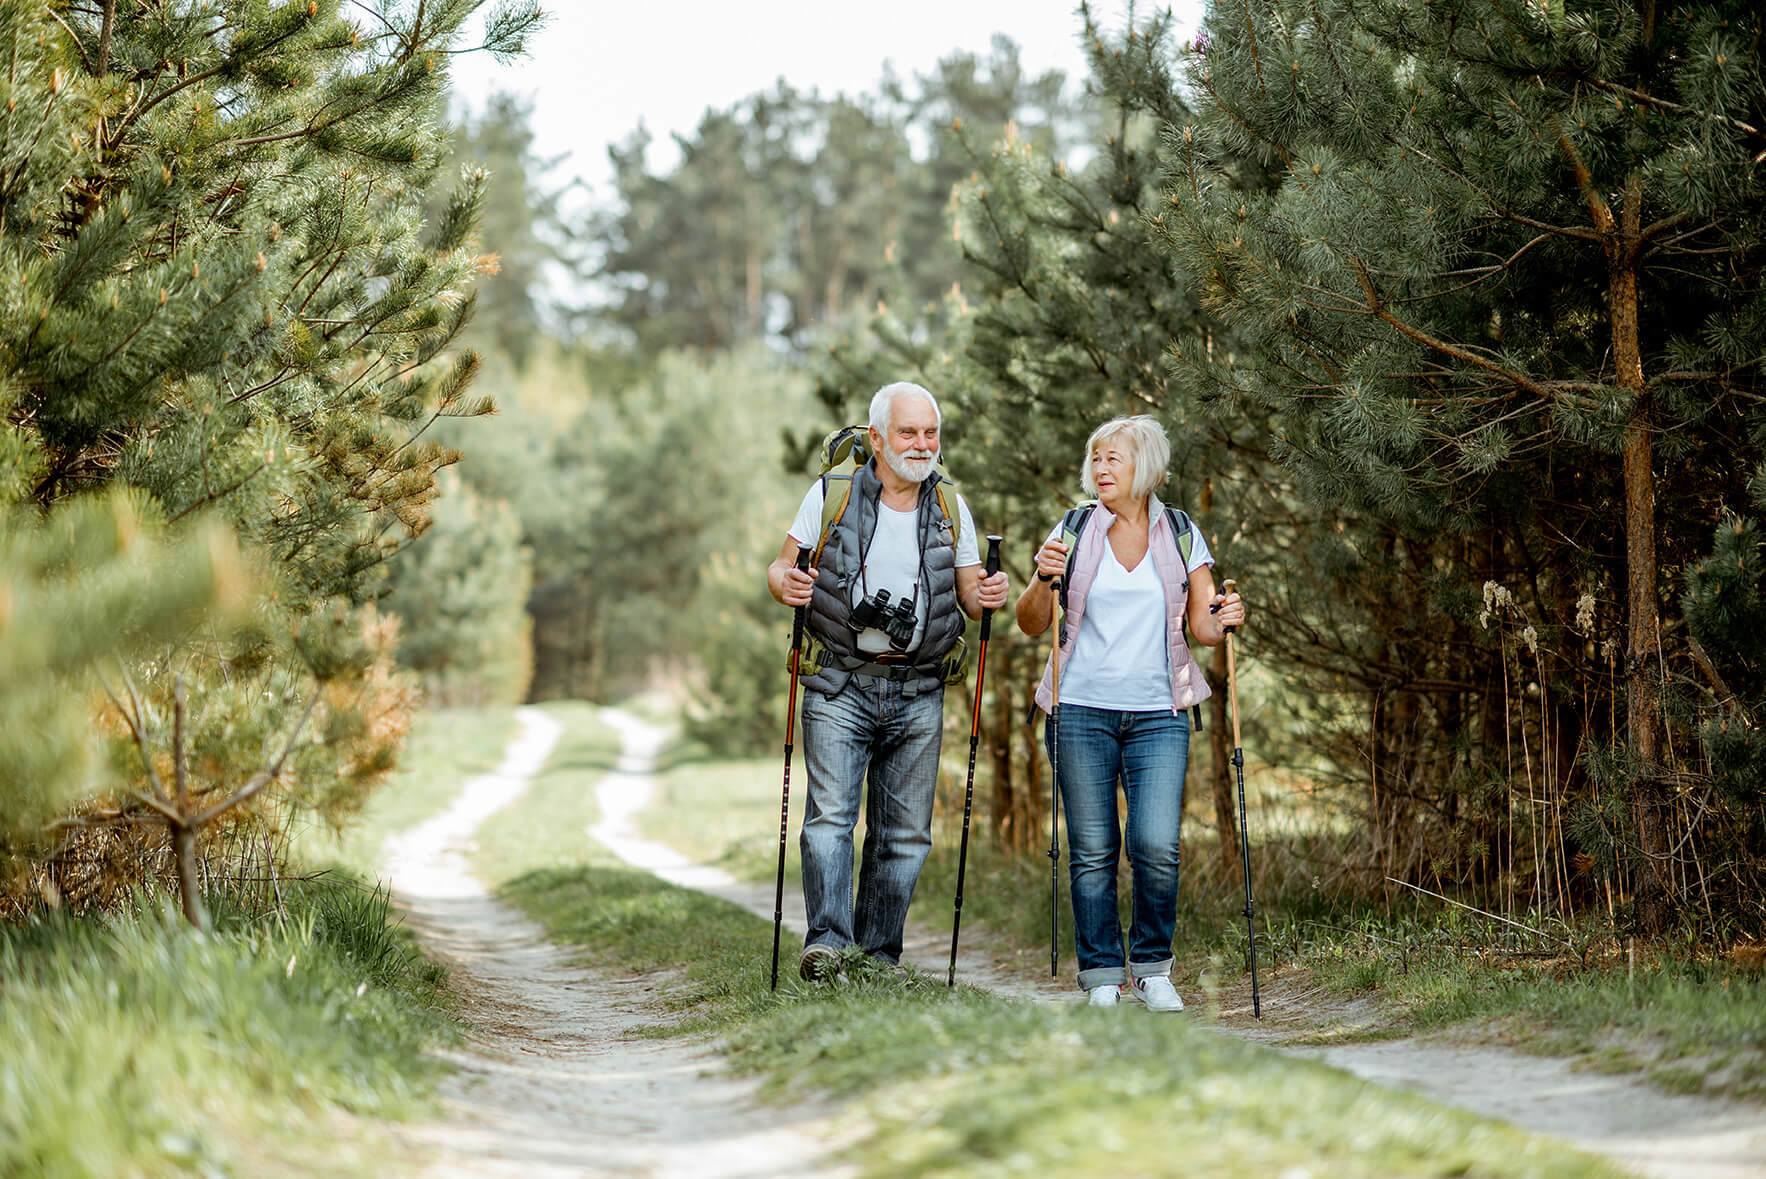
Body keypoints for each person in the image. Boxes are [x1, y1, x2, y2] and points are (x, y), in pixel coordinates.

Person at [767, 382, 1010, 980]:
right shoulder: (832, 494)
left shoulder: (950, 505)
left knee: (903, 835)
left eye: (931, 432)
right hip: (838, 684)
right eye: (908, 432)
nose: (922, 444)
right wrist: (784, 583)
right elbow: (781, 566)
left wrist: (990, 593)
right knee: (831, 820)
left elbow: (971, 596)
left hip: (919, 689)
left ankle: (878, 958)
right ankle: (828, 946)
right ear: (877, 438)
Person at [1014, 415, 1246, 1011]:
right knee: (1093, 850)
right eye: (1095, 458)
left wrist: (1225, 617)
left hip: (1158, 713)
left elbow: (1203, 628)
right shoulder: (1072, 529)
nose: (1100, 468)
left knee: (1155, 844)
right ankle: (1101, 975)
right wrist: (1042, 577)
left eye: (1112, 458)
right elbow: (1030, 621)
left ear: (1145, 465)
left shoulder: (1181, 532)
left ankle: (1151, 968)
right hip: (1079, 709)